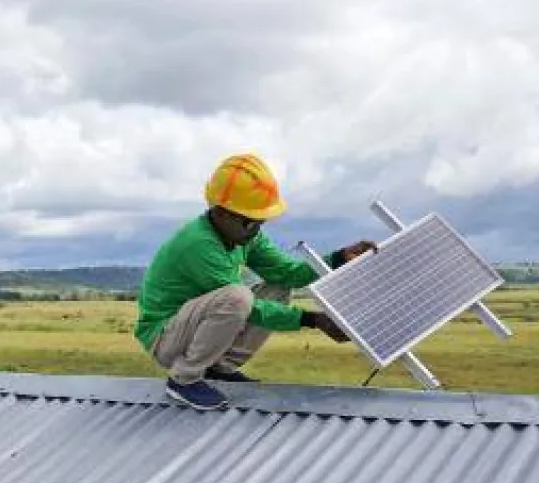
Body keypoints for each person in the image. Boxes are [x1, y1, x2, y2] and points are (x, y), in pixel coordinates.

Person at [135, 153, 377, 410]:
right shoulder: (199, 244)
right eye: (251, 221)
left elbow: (288, 273)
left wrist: (338, 258)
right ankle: (184, 380)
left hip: (193, 330)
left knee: (278, 284)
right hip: (165, 338)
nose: (257, 230)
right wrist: (312, 320)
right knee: (237, 298)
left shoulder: (245, 235)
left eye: (261, 222)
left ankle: (219, 368)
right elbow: (247, 308)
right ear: (222, 213)